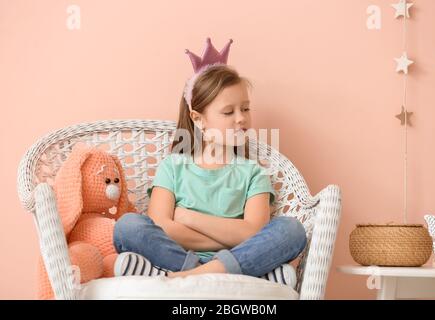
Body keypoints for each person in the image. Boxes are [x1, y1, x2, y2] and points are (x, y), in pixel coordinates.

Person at [112, 38, 307, 289]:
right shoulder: (173, 167)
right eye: (228, 112)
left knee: (291, 230)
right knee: (128, 226)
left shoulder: (253, 173)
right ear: (199, 119)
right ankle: (221, 273)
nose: (241, 119)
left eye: (245, 109)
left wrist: (187, 218)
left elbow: (252, 233)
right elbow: (161, 226)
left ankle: (190, 275)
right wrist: (231, 241)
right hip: (202, 259)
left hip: (228, 257)